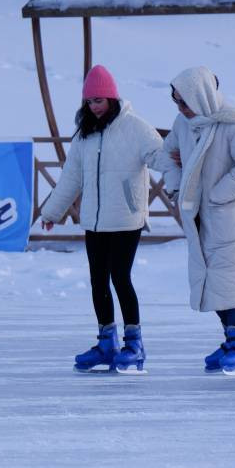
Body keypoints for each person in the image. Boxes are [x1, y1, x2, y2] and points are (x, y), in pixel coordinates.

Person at [40, 64, 171, 374]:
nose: (94, 106)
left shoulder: (136, 128)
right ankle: (106, 342)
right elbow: (71, 177)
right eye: (89, 101)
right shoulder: (85, 135)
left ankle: (134, 343)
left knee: (120, 277)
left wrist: (177, 154)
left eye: (99, 100)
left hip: (126, 218)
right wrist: (52, 211)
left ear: (112, 98)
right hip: (95, 221)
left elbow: (159, 156)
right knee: (98, 280)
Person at [161, 66, 235, 375]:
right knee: (212, 279)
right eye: (177, 103)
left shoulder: (232, 124)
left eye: (184, 102)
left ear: (200, 97)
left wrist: (217, 194)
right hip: (199, 216)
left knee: (232, 279)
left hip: (230, 217)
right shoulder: (183, 124)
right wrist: (177, 184)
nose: (181, 109)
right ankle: (232, 340)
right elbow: (166, 154)